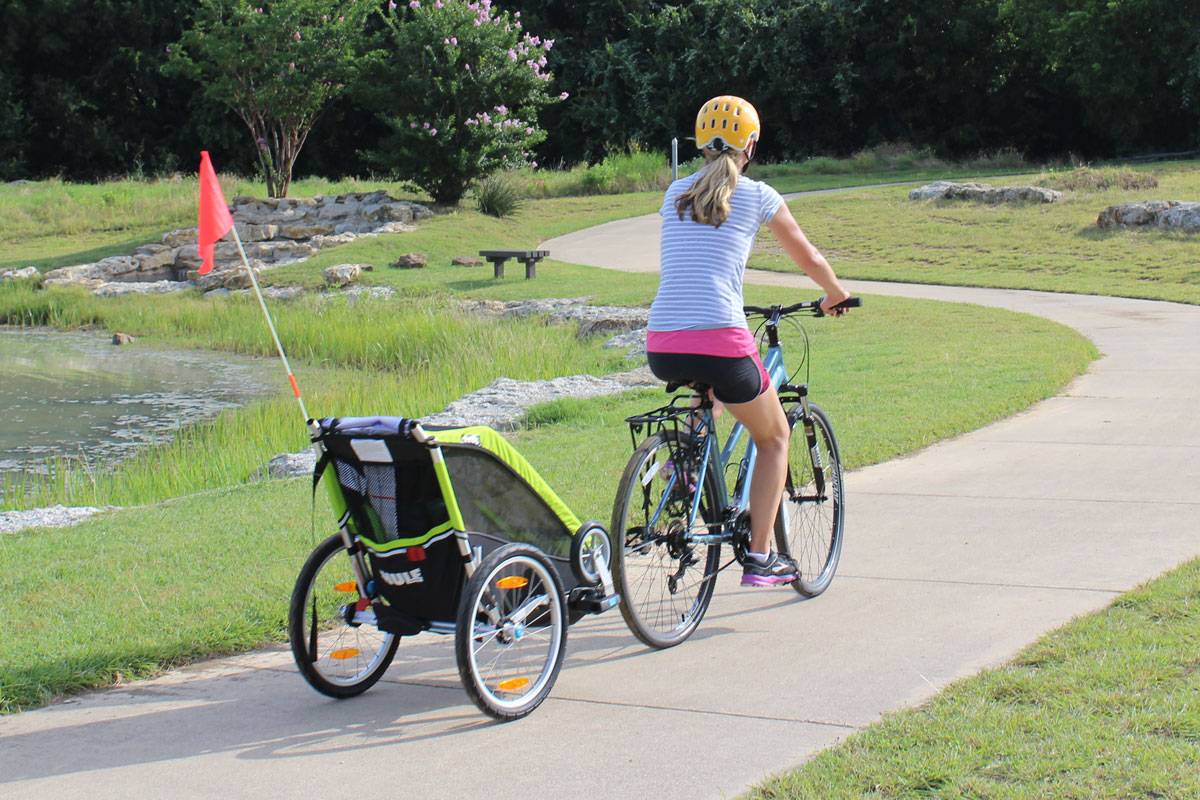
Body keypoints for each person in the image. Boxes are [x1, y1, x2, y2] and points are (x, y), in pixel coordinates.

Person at [646, 95, 852, 587]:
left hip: (662, 340)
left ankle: (687, 466)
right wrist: (836, 294)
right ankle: (760, 557)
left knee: (711, 390)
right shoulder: (759, 195)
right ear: (751, 145)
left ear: (699, 143)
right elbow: (807, 256)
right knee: (775, 435)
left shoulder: (675, 191)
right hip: (720, 334)